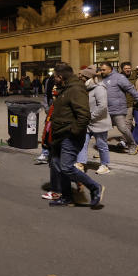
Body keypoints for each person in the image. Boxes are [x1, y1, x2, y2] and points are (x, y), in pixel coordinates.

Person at [46, 63, 104, 208]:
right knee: (58, 165)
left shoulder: (76, 89)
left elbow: (84, 115)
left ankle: (95, 187)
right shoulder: (65, 88)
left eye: (55, 77)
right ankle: (66, 197)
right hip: (60, 134)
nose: (54, 79)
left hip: (69, 136)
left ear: (60, 76)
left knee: (66, 167)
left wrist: (73, 132)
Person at [98, 62, 138, 155]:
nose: (101, 71)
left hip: (118, 108)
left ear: (110, 69)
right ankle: (103, 149)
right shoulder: (102, 79)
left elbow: (130, 89)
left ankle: (132, 144)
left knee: (122, 127)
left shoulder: (119, 77)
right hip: (106, 109)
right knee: (102, 128)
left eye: (103, 70)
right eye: (101, 70)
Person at [76, 67, 111, 175]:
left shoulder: (99, 88)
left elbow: (102, 107)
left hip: (99, 122)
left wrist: (90, 117)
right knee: (82, 143)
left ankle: (105, 165)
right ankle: (80, 163)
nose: (80, 77)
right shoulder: (86, 88)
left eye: (83, 76)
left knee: (101, 145)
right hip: (88, 122)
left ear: (89, 77)